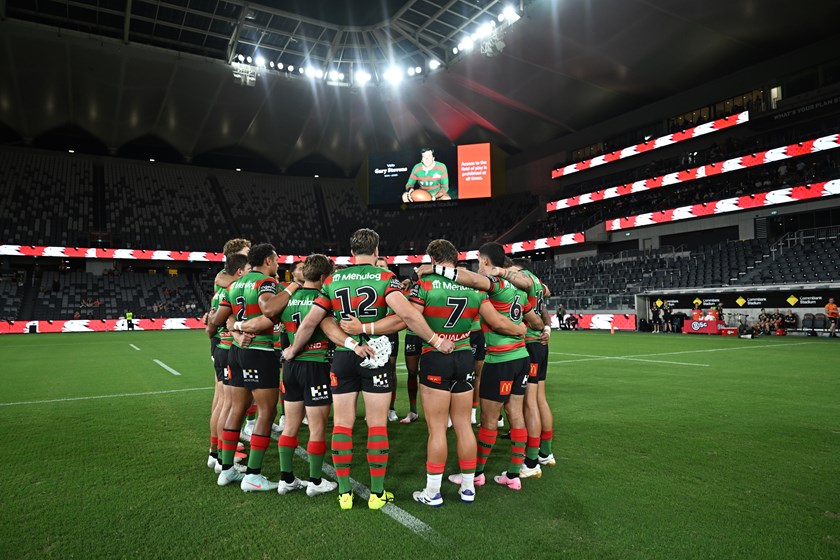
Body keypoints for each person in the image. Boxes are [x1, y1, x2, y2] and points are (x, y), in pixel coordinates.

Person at [284, 228, 454, 510]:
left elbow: (312, 322)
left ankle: (344, 493)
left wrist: (292, 350)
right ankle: (376, 494)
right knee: (376, 424)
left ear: (352, 252)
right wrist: (436, 340)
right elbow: (408, 315)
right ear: (376, 251)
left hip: (344, 355)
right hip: (376, 354)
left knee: (342, 424)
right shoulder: (385, 278)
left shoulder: (333, 280)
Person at [417, 242, 545, 491]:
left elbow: (491, 313)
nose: (477, 266)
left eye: (478, 261)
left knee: (488, 419)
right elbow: (535, 321)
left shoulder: (493, 284)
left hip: (500, 359)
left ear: (485, 261)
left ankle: (477, 473)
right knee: (516, 414)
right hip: (522, 356)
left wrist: (434, 269)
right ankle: (514, 474)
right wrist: (540, 329)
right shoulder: (518, 287)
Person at [239, 254, 348, 497]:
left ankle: (286, 479)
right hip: (315, 365)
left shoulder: (286, 299)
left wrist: (236, 327)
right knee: (317, 428)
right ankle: (315, 481)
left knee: (290, 426)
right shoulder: (323, 300)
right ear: (323, 276)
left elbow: (263, 321)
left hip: (289, 368)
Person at [216, 243, 300, 492]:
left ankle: (226, 469)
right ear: (267, 261)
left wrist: (236, 327)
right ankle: (253, 475)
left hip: (235, 352)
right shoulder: (266, 282)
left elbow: (219, 318)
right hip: (260, 351)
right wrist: (293, 287)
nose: (278, 264)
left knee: (237, 409)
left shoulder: (234, 284)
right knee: (266, 412)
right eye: (276, 260)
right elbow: (268, 307)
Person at [510, 258, 554, 476]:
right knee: (540, 400)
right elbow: (544, 302)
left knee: (530, 403)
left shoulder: (522, 281)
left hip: (530, 343)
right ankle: (546, 452)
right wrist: (547, 328)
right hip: (541, 344)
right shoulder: (537, 282)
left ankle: (531, 461)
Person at [205, 252, 249, 473]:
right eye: (248, 268)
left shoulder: (220, 291)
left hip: (221, 347)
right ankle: (223, 459)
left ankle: (216, 454)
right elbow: (229, 319)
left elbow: (210, 328)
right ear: (239, 271)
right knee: (229, 406)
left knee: (223, 404)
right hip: (230, 348)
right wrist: (236, 333)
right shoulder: (233, 291)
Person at [374, 257, 401, 422]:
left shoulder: (392, 284)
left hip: (389, 331)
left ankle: (391, 407)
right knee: (371, 369)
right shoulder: (370, 283)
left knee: (390, 369)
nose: (380, 268)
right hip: (372, 331)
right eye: (377, 266)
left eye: (382, 266)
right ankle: (375, 409)